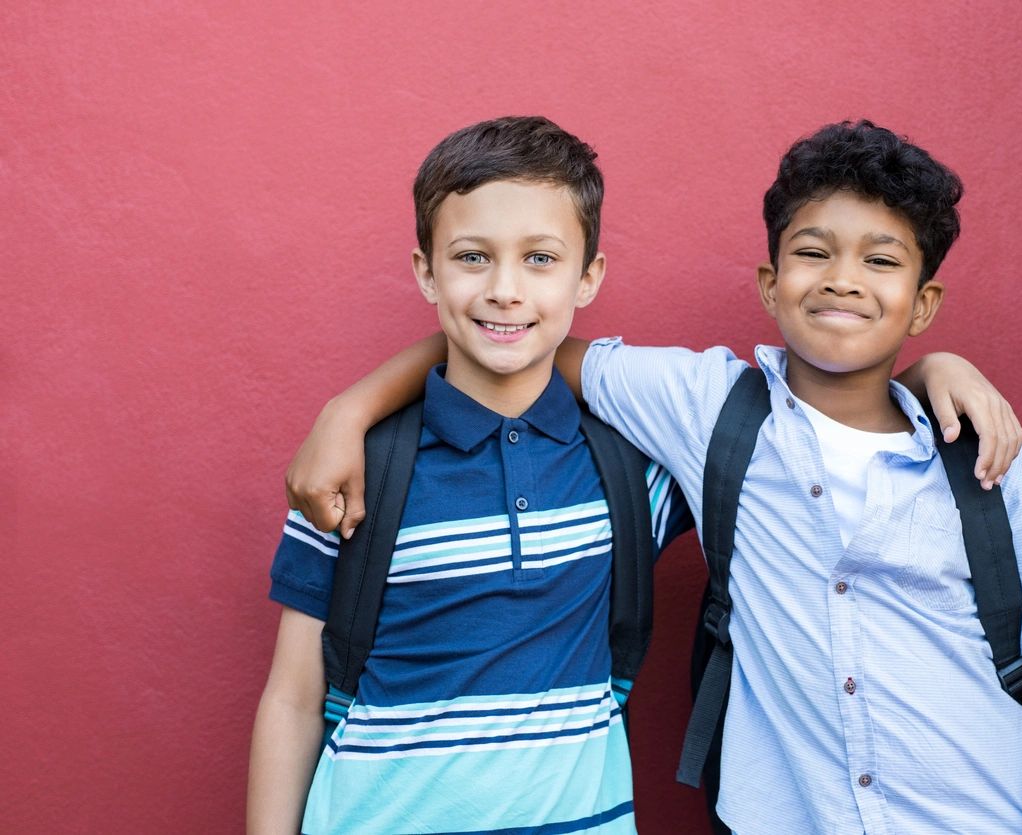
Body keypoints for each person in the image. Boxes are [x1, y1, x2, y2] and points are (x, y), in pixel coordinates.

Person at [284, 121, 1022, 834]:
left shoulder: (984, 458)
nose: (842, 279)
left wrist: (930, 371)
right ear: (769, 283)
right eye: (812, 252)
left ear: (922, 301)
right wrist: (350, 411)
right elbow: (513, 340)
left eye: (878, 261)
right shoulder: (703, 411)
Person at [247, 116, 693, 834]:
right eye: (472, 257)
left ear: (589, 277)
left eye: (541, 259)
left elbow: (800, 423)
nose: (505, 290)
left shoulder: (630, 472)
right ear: (427, 271)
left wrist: (927, 374)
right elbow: (294, 698)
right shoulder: (352, 473)